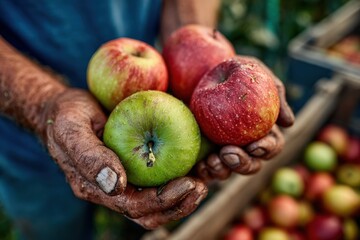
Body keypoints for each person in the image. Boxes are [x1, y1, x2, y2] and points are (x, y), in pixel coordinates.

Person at [0, 0, 295, 239]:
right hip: (23, 122)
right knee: (53, 226)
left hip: (157, 89)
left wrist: (195, 53)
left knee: (147, 208)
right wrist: (43, 103)